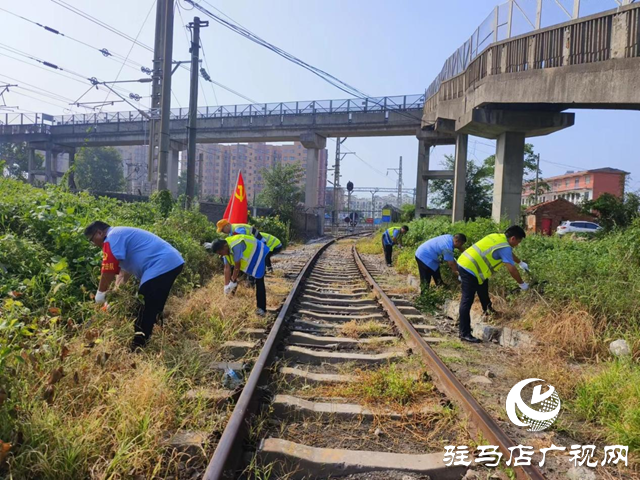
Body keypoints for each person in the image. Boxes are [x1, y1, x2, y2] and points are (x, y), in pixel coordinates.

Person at [84, 221, 184, 350]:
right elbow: (123, 273)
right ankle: (159, 335)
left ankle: (138, 347)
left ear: (99, 233)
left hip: (161, 264)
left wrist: (101, 294)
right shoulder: (119, 236)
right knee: (154, 305)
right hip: (171, 262)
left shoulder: (111, 237)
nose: (94, 244)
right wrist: (113, 298)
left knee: (144, 306)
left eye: (92, 240)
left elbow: (107, 269)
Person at [456, 225, 530, 343]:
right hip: (470, 269)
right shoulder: (505, 247)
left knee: (483, 288)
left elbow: (508, 253)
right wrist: (522, 283)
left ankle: (488, 311)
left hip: (465, 262)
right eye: (519, 241)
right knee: (467, 300)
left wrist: (520, 262)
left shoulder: (496, 236)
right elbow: (511, 269)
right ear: (513, 239)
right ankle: (464, 333)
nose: (518, 244)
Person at [210, 234, 269, 316]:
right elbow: (227, 268)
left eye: (221, 253)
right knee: (234, 280)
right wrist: (226, 286)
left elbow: (237, 265)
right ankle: (230, 304)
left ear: (225, 246)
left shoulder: (236, 245)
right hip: (249, 258)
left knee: (259, 279)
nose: (221, 255)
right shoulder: (224, 251)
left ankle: (261, 308)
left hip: (259, 252)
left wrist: (233, 280)